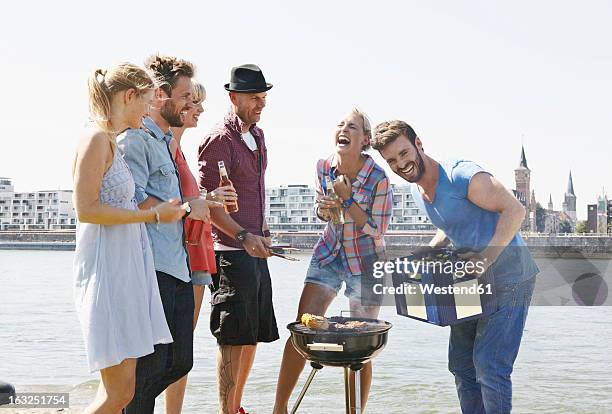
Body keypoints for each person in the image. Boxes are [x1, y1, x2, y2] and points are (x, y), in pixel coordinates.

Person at [371, 120, 539, 414]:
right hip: (469, 282)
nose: (401, 164)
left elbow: (515, 209)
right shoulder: (417, 192)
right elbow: (453, 223)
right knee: (461, 365)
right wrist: (432, 247)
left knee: (490, 366)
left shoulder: (461, 175)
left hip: (510, 277)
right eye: (392, 161)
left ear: (418, 143)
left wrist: (486, 257)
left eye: (404, 152)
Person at [73, 63, 186, 413]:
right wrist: (152, 214)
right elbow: (86, 209)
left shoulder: (110, 142)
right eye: (148, 100)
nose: (150, 109)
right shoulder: (95, 138)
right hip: (107, 274)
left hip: (125, 274)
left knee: (123, 391)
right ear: (129, 96)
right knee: (116, 394)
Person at [272, 109, 393, 414]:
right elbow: (321, 210)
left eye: (352, 126)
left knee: (362, 339)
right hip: (329, 253)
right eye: (340, 124)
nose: (343, 129)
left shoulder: (379, 178)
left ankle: (356, 412)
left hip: (365, 261)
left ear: (364, 139)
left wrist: (348, 199)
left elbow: (376, 229)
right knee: (302, 328)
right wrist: (325, 210)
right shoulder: (323, 166)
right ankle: (279, 407)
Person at [118, 54, 209, 413]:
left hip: (177, 269)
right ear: (160, 94)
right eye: (186, 96)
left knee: (179, 362)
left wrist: (198, 204)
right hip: (152, 270)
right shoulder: (135, 140)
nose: (191, 103)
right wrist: (188, 207)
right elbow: (133, 202)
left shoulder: (164, 144)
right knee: (153, 366)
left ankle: (127, 403)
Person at [198, 64, 278, 414]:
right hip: (229, 252)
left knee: (253, 334)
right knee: (232, 337)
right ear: (233, 98)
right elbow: (210, 205)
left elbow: (252, 193)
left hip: (254, 249)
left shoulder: (258, 137)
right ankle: (226, 411)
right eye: (253, 98)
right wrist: (244, 235)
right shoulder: (219, 139)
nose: (260, 104)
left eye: (263, 97)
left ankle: (237, 407)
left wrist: (263, 232)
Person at [164, 79, 235, 414]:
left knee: (181, 351)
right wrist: (208, 200)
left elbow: (188, 203)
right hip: (185, 255)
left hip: (197, 254)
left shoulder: (178, 150)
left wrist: (210, 200)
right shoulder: (167, 149)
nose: (200, 109)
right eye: (193, 102)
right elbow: (171, 204)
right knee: (174, 350)